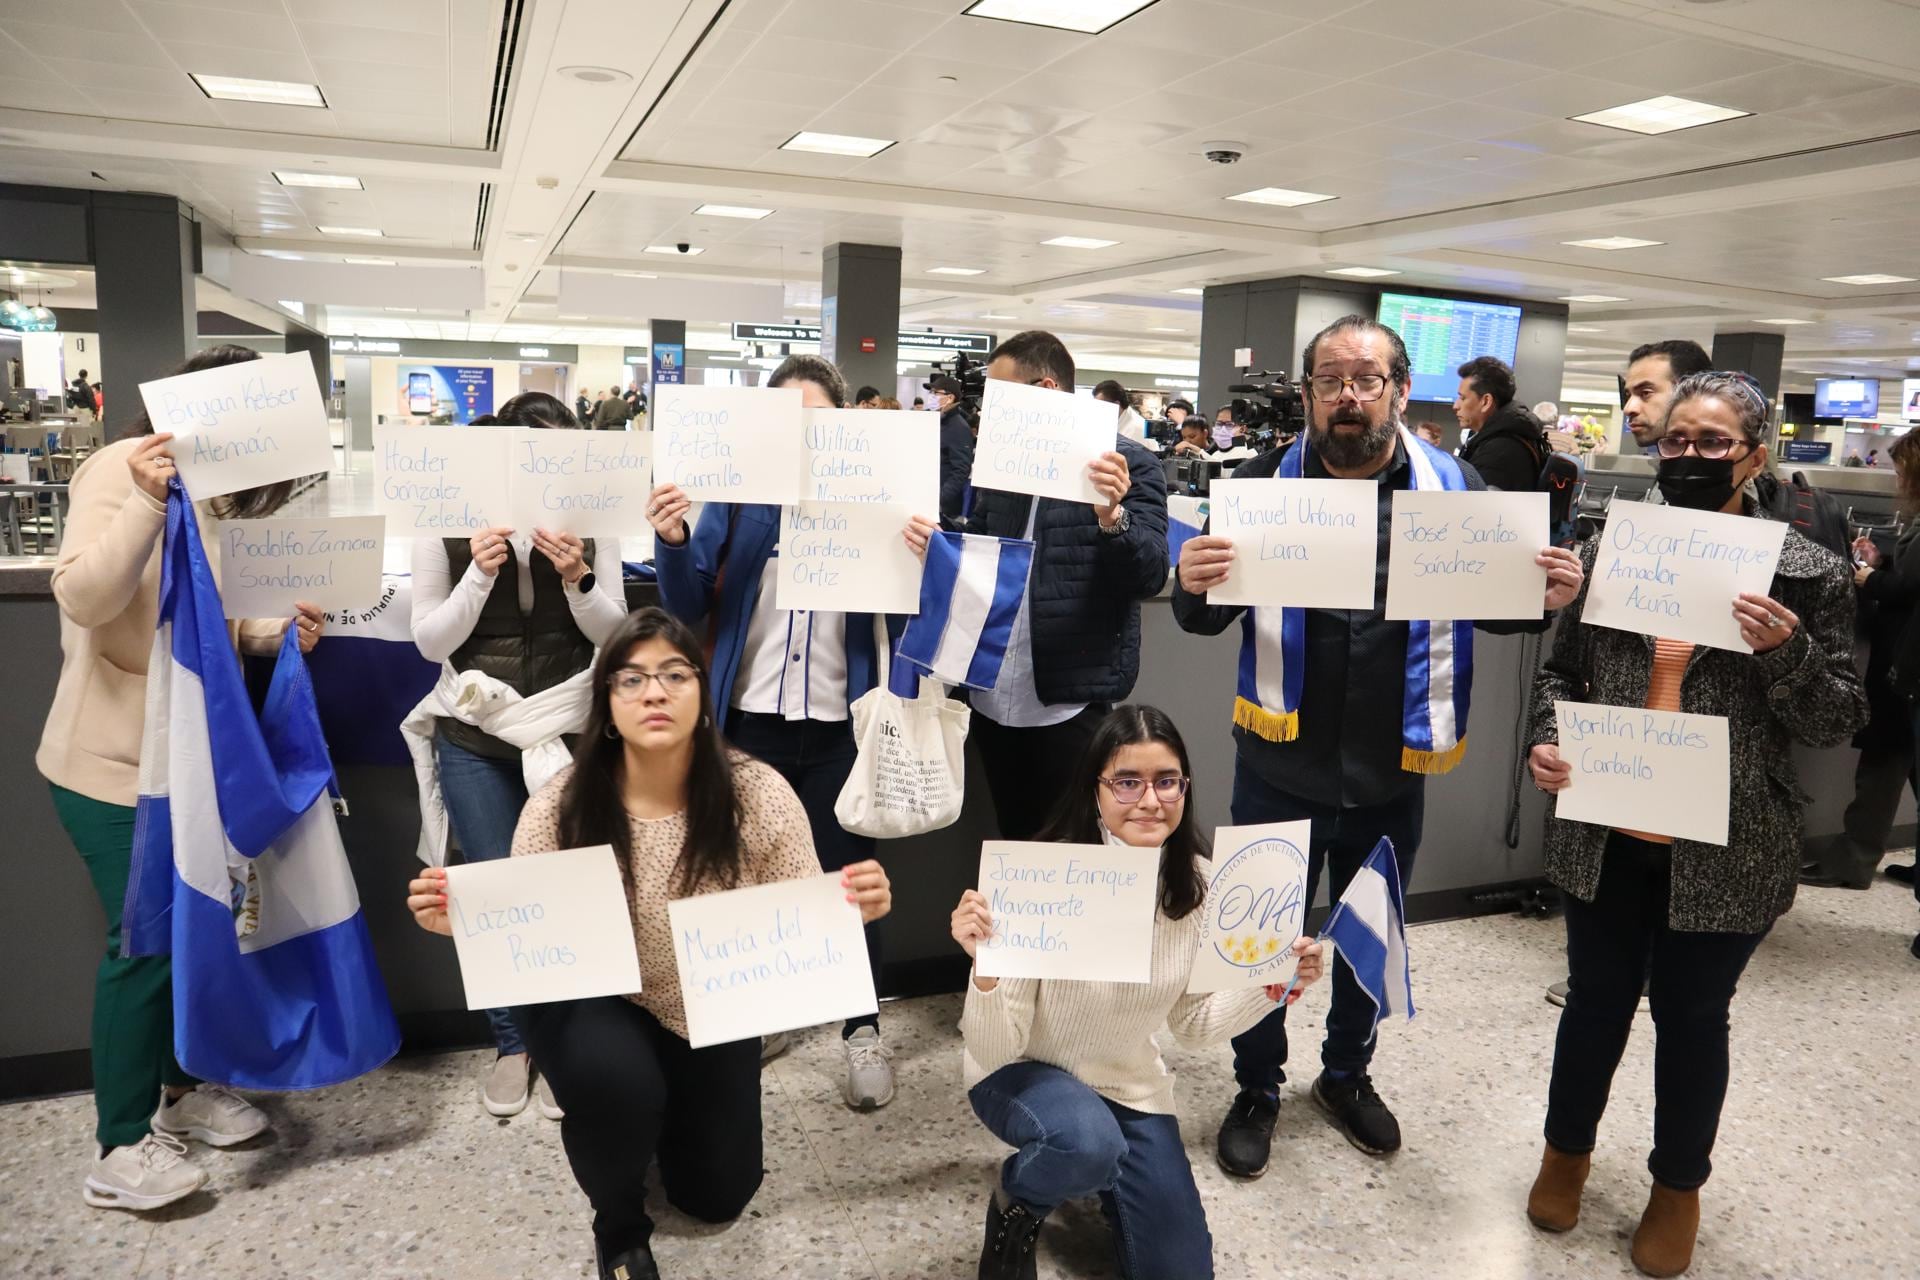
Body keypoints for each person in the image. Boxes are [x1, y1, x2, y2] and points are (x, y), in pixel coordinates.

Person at [1172, 314, 1583, 1172]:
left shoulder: (1457, 486)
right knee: (1261, 933)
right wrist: (1190, 582)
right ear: (1310, 394)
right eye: (1330, 381)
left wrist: (1546, 596)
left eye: (1367, 380)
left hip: (1395, 762)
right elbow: (1205, 616)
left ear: (1399, 391)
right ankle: (1257, 1082)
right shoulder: (1259, 482)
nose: (1348, 397)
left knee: (1369, 934)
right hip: (1281, 761)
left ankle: (1347, 1074)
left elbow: (1503, 608)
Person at [407, 609, 894, 1280]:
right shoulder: (561, 804)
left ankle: (660, 1108)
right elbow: (524, 935)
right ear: (606, 706)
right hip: (595, 1001)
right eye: (631, 680)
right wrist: (460, 925)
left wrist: (853, 913)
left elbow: (801, 917)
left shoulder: (757, 793)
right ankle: (619, 1224)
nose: (654, 693)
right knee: (617, 1086)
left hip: (707, 1006)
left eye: (673, 674)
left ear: (702, 694)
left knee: (720, 1195)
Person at [1523, 371, 1866, 1279]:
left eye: (1713, 443)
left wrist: (1785, 653)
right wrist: (1548, 743)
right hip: (1606, 824)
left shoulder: (1809, 573)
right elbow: (1561, 678)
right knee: (1594, 1003)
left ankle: (1678, 1186)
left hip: (1731, 841)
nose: (1689, 457)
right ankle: (1567, 1152)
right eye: (1675, 441)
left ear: (1755, 454)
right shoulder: (1610, 546)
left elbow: (1836, 722)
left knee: (1693, 1016)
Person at [38, 343, 325, 1212]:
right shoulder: (116, 471)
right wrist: (142, 497)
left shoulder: (225, 503)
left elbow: (211, 629)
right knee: (143, 946)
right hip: (110, 765)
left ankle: (179, 1090)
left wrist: (273, 637)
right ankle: (119, 1148)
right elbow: (85, 599)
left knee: (187, 935)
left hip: (186, 767)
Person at [647, 353, 932, 1109]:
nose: (797, 431)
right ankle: (761, 1014)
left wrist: (922, 558)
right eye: (782, 417)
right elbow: (685, 606)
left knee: (849, 884)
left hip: (842, 730)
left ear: (837, 422)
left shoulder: (877, 500)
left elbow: (912, 619)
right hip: (748, 729)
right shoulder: (739, 498)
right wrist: (674, 540)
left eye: (811, 415)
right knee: (743, 881)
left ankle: (861, 1029)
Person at [952, 705, 1325, 1280]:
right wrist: (987, 973)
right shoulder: (1043, 876)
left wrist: (1273, 985)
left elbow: (1192, 1026)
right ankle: (1018, 1202)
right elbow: (997, 1047)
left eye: (1166, 780)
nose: (1150, 800)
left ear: (1185, 788)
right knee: (1085, 1142)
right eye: (1127, 781)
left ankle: (1090, 1162)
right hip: (1021, 1072)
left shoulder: (1201, 885)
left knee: (1183, 1271)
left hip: (1129, 1083)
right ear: (1095, 790)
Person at [409, 391, 629, 1119]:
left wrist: (579, 580)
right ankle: (512, 1042)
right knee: (495, 892)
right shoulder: (445, 517)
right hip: (478, 733)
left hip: (571, 727)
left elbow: (615, 633)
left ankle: (570, 1040)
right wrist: (477, 571)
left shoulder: (591, 517)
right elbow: (432, 641)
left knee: (575, 883)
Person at [958, 331, 1169, 842]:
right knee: (1011, 839)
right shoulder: (1002, 465)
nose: (990, 410)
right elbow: (983, 546)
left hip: (1068, 698)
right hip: (990, 695)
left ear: (1046, 389)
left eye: (1000, 395)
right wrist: (942, 542)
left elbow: (1149, 573)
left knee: (1073, 847)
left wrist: (1111, 515)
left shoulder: (1126, 464)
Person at [1801, 427, 1920, 890]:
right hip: (1905, 662)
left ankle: (1851, 861)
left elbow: (1911, 591)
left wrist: (1871, 579)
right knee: (1895, 765)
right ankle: (1855, 858)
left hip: (1907, 665)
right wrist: (1883, 564)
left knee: (1884, 764)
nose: (1899, 481)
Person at [1453, 355, 1547, 492]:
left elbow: (1474, 508)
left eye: (1463, 398)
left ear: (1486, 401)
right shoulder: (1511, 436)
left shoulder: (1499, 451)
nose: (1456, 406)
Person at [1622, 339, 1711, 455]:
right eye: (1628, 395)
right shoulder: (1667, 468)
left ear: (1690, 391)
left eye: (1645, 393)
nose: (1628, 409)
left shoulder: (1731, 468)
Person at [930, 372, 976, 523]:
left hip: (945, 509)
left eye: (935, 393)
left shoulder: (958, 427)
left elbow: (961, 468)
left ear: (950, 398)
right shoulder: (938, 421)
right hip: (932, 500)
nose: (931, 396)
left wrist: (941, 497)